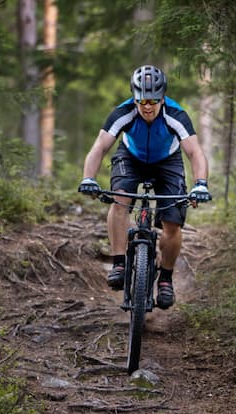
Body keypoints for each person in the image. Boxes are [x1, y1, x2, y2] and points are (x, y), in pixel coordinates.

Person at [78, 64, 211, 310]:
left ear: (162, 98)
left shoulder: (175, 114)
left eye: (153, 101)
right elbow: (99, 147)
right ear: (134, 97)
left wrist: (200, 184)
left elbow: (195, 152)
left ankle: (166, 280)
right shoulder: (123, 112)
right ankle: (119, 262)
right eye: (142, 101)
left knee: (172, 221)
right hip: (131, 158)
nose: (147, 107)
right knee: (119, 200)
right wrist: (89, 178)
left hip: (167, 162)